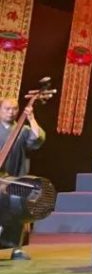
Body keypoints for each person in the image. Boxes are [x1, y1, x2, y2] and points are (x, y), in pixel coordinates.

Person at [0, 97, 45, 260]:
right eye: (7, 109)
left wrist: (31, 118)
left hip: (16, 176)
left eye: (14, 109)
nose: (11, 112)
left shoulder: (23, 130)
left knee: (18, 211)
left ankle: (16, 249)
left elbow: (37, 139)